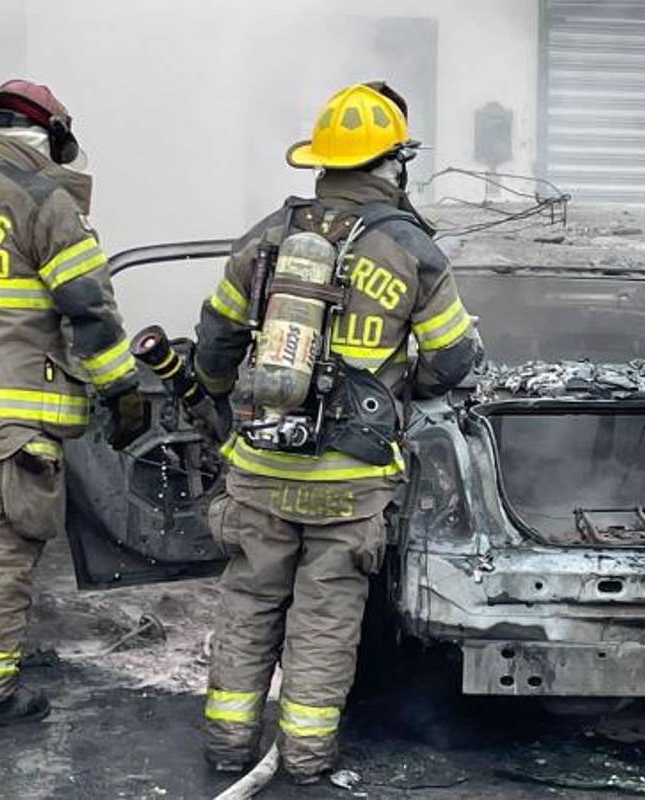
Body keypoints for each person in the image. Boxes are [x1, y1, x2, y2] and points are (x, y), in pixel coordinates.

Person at [195, 81, 481, 783]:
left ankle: (228, 743)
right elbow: (453, 358)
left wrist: (221, 397)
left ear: (322, 160)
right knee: (326, 616)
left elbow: (216, 338)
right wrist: (401, 389)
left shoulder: (267, 236)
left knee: (249, 599)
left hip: (262, 462)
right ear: (394, 162)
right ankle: (306, 756)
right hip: (350, 480)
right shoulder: (412, 249)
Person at [0, 80, 146, 726]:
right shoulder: (42, 201)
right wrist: (121, 388)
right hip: (15, 416)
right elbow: (89, 309)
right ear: (52, 136)